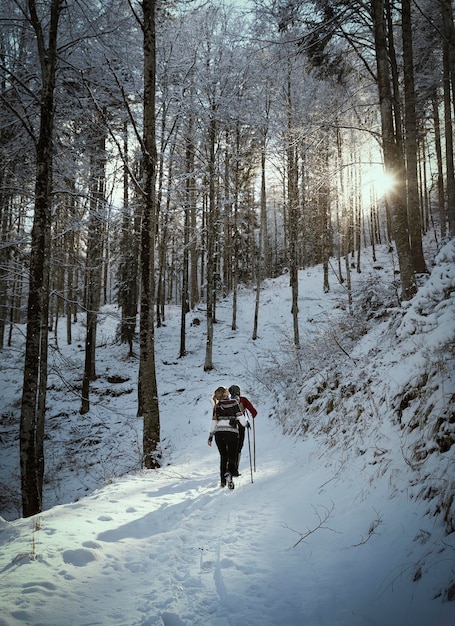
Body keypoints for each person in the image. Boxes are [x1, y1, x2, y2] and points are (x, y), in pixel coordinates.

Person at [207, 386, 244, 489]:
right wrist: (245, 424)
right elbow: (240, 417)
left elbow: (214, 422)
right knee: (232, 456)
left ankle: (223, 481)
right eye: (226, 390)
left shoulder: (217, 406)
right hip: (232, 432)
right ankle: (229, 475)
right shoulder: (233, 402)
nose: (228, 390)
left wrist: (210, 437)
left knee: (223, 457)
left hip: (219, 434)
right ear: (225, 394)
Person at [229, 385, 257, 472]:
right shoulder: (243, 400)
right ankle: (235, 469)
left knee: (230, 447)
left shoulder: (227, 401)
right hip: (241, 425)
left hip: (229, 426)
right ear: (238, 392)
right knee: (239, 446)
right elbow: (254, 412)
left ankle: (229, 468)